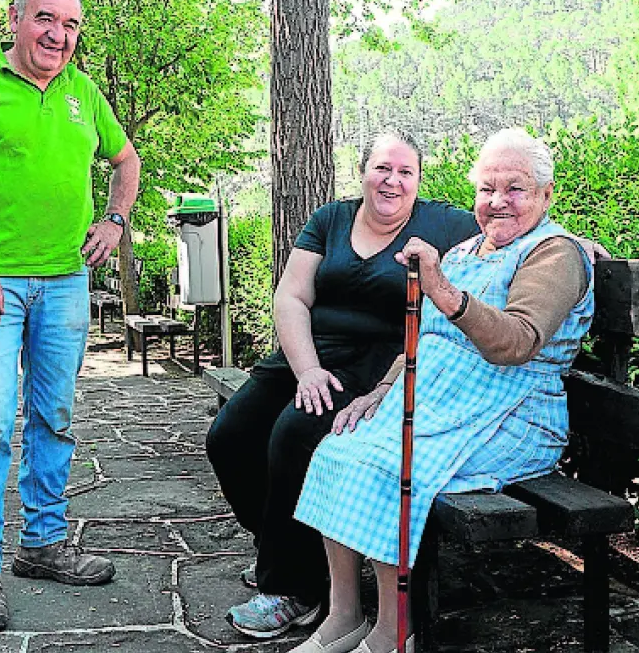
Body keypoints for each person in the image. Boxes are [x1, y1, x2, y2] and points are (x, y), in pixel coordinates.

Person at [289, 128, 595, 653]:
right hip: (441, 406)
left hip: (512, 416)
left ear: (546, 195)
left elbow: (517, 342)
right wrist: (381, 391)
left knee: (387, 469)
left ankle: (394, 633)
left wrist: (442, 290)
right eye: (487, 189)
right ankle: (345, 616)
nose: (498, 201)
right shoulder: (465, 251)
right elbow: (422, 339)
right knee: (339, 449)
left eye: (515, 188)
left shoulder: (554, 254)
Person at [0, 0, 142, 632]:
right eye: (46, 18)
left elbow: (126, 161)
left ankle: (43, 543)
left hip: (66, 283)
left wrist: (114, 220)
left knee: (54, 416)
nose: (59, 35)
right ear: (15, 18)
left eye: (71, 25)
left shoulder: (83, 92)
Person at [205, 132, 481, 639]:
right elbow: (291, 297)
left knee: (295, 435)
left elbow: (510, 221)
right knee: (230, 436)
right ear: (363, 172)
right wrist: (307, 369)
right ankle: (285, 550)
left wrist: (577, 244)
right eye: (382, 169)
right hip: (309, 354)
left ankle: (295, 589)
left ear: (419, 180)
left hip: (376, 365)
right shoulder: (330, 219)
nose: (392, 181)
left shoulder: (444, 223)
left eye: (405, 172)